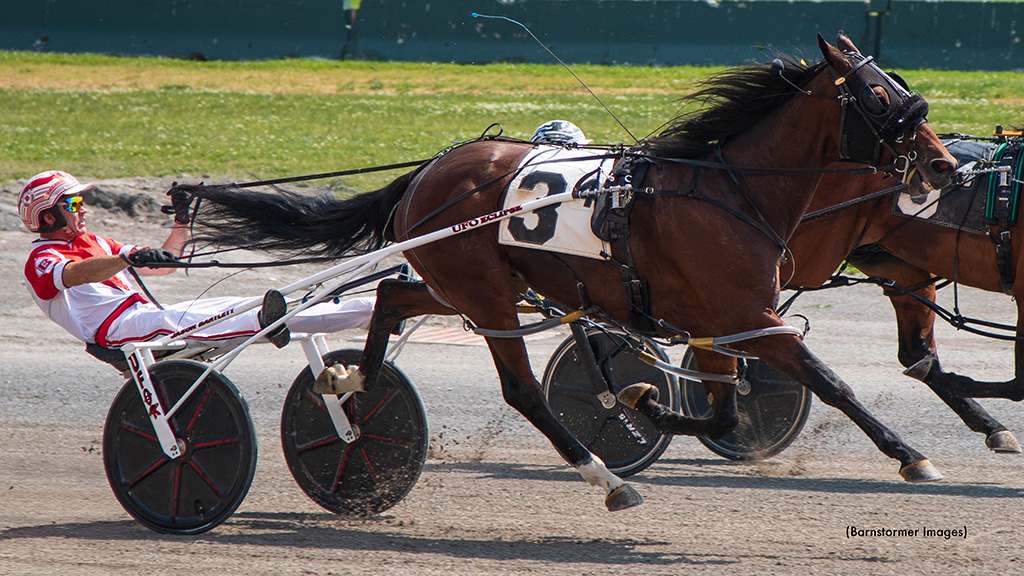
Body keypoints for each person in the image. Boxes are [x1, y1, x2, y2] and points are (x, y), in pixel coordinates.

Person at [20, 170, 375, 356]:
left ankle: (368, 309)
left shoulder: (98, 243)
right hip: (118, 332)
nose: (84, 210)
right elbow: (73, 275)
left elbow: (163, 266)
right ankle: (268, 321)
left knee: (239, 306)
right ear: (49, 217)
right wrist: (124, 258)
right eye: (74, 204)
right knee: (238, 315)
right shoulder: (42, 258)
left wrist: (180, 224)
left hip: (150, 320)